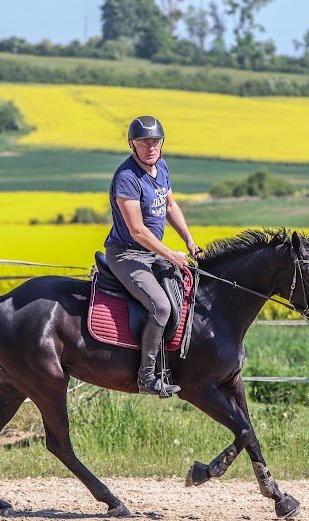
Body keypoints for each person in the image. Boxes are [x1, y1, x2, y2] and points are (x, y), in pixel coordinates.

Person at [104, 115, 201, 397]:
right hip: (127, 255)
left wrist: (190, 241)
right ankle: (146, 377)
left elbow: (170, 205)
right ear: (132, 144)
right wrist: (171, 254)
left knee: (188, 286)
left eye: (155, 141)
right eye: (144, 141)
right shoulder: (126, 178)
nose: (151, 147)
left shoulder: (161, 167)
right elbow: (137, 231)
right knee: (160, 306)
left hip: (151, 253)